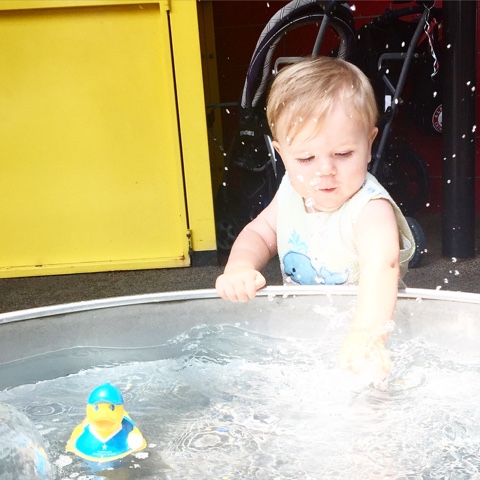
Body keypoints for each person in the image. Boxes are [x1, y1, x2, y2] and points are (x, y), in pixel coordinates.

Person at [215, 57, 415, 377]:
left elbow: (382, 267)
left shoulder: (370, 208)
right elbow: (260, 232)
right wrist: (240, 267)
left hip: (371, 342)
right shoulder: (291, 191)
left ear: (369, 144)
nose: (325, 170)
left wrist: (367, 335)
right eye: (306, 158)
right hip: (303, 334)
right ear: (281, 154)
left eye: (343, 154)